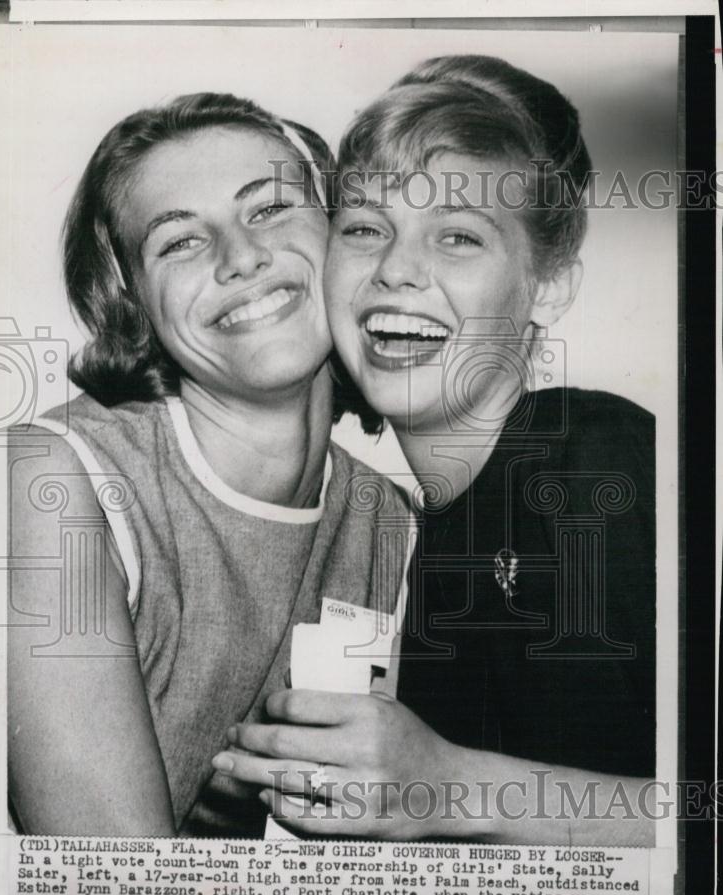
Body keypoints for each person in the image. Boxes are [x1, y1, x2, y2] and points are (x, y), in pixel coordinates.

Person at [219, 56, 655, 845]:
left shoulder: (595, 460)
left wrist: (453, 786)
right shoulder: (413, 544)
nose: (396, 270)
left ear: (547, 285)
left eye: (457, 236)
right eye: (364, 228)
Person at [7, 92, 411, 837]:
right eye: (179, 242)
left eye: (269, 209)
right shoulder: (59, 478)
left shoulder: (391, 522)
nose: (241, 258)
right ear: (134, 304)